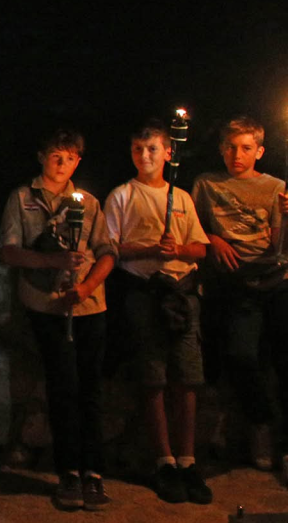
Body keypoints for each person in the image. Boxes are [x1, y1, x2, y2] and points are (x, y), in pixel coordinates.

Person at [0, 128, 116, 512]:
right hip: (45, 306)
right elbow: (9, 251)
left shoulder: (89, 203)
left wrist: (86, 287)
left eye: (69, 158)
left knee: (91, 388)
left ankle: (94, 471)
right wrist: (51, 261)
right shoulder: (22, 199)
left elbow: (106, 252)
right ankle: (68, 471)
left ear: (78, 161)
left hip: (88, 306)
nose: (62, 164)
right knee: (62, 386)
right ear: (42, 157)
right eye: (55, 156)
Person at [104, 120, 211, 504]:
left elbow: (199, 247)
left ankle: (188, 460)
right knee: (153, 378)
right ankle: (163, 461)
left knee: (188, 378)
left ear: (168, 152)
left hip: (182, 295)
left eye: (152, 149)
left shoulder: (180, 197)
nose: (144, 156)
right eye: (138, 149)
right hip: (144, 295)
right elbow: (111, 247)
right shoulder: (121, 195)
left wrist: (177, 250)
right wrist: (151, 249)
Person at [191, 116, 288, 472]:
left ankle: (284, 444)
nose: (237, 155)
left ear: (259, 151)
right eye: (231, 147)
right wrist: (213, 238)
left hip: (276, 281)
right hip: (237, 287)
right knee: (240, 355)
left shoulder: (275, 187)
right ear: (221, 149)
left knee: (285, 360)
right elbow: (191, 224)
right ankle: (260, 420)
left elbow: (279, 245)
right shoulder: (206, 184)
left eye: (246, 148)